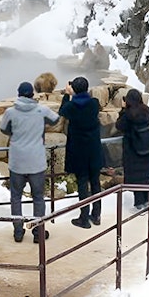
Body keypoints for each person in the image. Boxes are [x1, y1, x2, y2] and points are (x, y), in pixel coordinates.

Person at [1, 81, 59, 243]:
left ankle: (18, 232)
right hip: (36, 162)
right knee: (38, 198)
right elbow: (55, 120)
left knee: (16, 197)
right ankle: (38, 233)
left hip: (17, 161)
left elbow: (4, 129)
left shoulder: (10, 112)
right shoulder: (41, 110)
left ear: (18, 94)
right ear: (32, 94)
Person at [59, 76, 105, 228]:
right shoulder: (94, 104)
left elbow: (62, 110)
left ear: (74, 90)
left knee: (83, 184)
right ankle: (96, 215)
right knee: (95, 182)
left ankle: (84, 218)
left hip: (79, 152)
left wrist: (67, 94)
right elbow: (92, 102)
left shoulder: (72, 107)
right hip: (94, 151)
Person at [115, 88, 149, 209]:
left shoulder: (128, 116)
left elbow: (119, 125)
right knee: (146, 177)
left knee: (137, 177)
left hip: (133, 152)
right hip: (148, 149)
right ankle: (147, 202)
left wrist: (123, 109)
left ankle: (140, 204)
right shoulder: (146, 111)